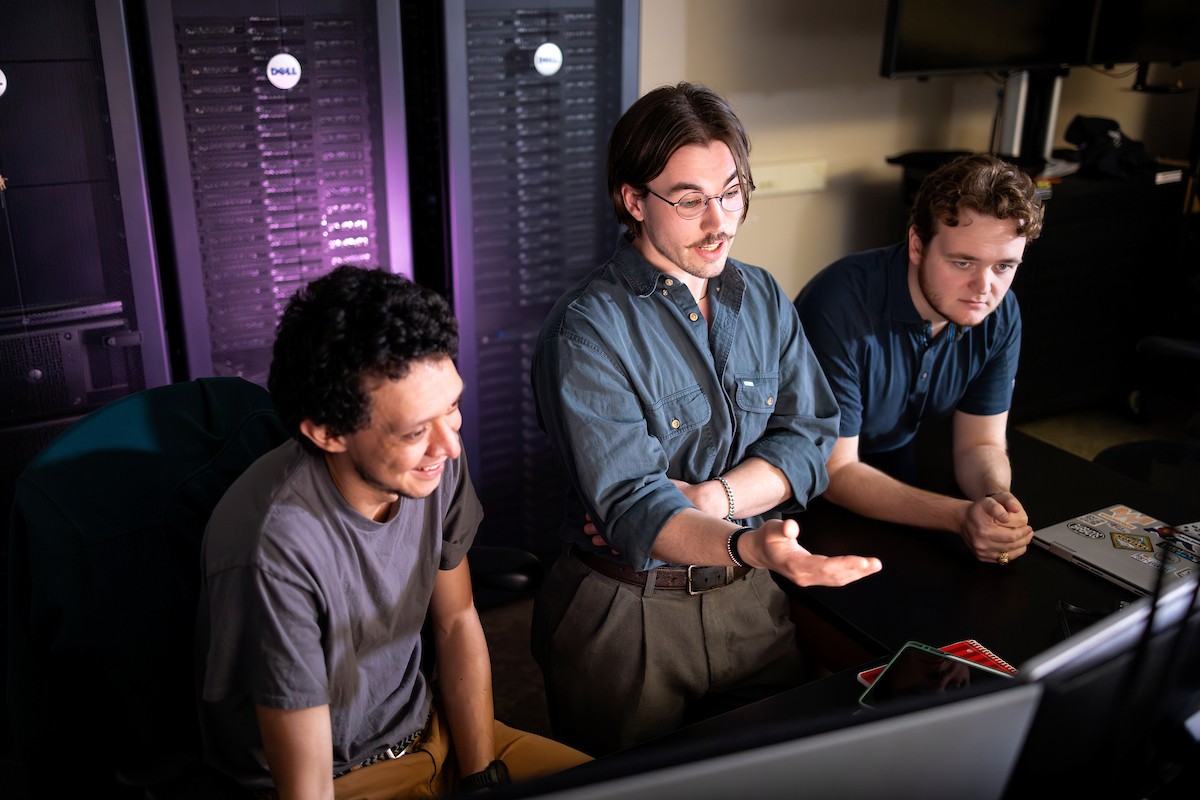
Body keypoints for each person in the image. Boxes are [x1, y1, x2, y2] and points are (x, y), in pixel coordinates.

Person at [530, 83, 881, 756]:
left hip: (750, 601)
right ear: (633, 201)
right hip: (628, 616)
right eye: (689, 201)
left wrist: (712, 498)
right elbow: (634, 506)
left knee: (769, 771)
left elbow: (810, 438)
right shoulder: (584, 333)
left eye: (731, 193)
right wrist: (747, 536)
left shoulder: (763, 295)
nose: (719, 221)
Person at [195, 266, 589, 799]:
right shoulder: (273, 549)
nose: (449, 446)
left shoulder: (433, 456)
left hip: (431, 735)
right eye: (414, 430)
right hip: (340, 781)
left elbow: (455, 620)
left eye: (452, 407)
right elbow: (305, 787)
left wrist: (481, 777)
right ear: (327, 432)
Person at [794, 154, 1044, 566]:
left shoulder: (1000, 312)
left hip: (895, 462)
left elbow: (980, 443)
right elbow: (835, 473)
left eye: (1003, 266)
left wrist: (996, 500)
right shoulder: (839, 304)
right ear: (916, 245)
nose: (984, 287)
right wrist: (960, 516)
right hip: (804, 488)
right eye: (963, 262)